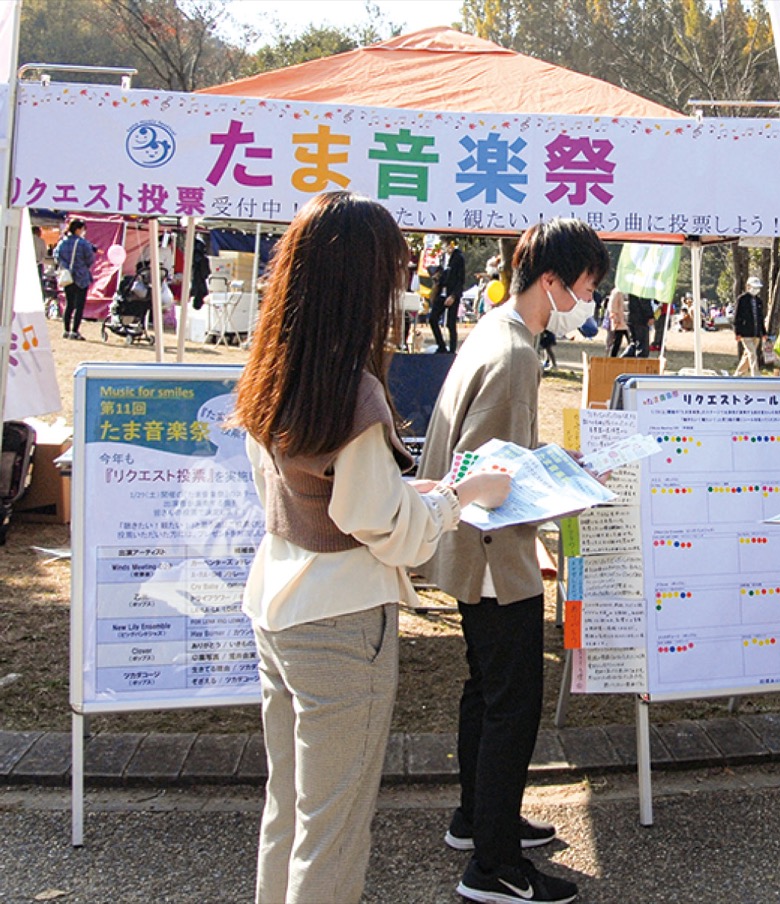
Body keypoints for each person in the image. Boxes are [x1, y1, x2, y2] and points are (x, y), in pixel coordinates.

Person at [232, 192, 510, 904]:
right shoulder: (352, 391)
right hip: (341, 619)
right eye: (393, 271)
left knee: (288, 808)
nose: (400, 287)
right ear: (362, 282)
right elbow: (385, 528)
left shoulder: (274, 367)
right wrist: (461, 496)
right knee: (332, 828)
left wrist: (412, 493)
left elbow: (319, 492)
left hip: (276, 598)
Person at [417, 217, 608, 904]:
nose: (589, 299)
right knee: (513, 705)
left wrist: (554, 464)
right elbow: (488, 477)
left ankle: (478, 820)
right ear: (551, 280)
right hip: (495, 557)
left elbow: (491, 456)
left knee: (486, 692)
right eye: (586, 285)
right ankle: (493, 865)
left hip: (473, 551)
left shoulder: (497, 331)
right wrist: (566, 486)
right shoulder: (517, 354)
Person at [54, 218, 96, 340]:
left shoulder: (62, 242)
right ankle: (75, 331)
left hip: (68, 276)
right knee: (79, 306)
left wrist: (65, 266)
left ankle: (66, 330)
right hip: (81, 276)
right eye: (82, 229)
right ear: (78, 229)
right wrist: (82, 266)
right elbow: (90, 259)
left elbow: (56, 256)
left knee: (69, 304)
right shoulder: (83, 243)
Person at [430, 235, 466, 353]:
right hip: (442, 292)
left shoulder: (458, 258)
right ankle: (441, 346)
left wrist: (454, 295)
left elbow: (461, 279)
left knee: (451, 324)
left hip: (452, 294)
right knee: (433, 319)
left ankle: (452, 350)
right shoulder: (442, 257)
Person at [734, 276, 766, 376]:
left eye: (758, 288)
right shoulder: (742, 299)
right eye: (754, 287)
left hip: (756, 333)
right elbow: (737, 317)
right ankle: (755, 374)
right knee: (752, 354)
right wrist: (737, 332)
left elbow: (760, 318)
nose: (756, 290)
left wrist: (763, 332)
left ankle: (737, 375)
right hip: (745, 333)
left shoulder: (759, 301)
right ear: (748, 286)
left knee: (747, 355)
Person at [621, 292, 654, 358]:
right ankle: (640, 362)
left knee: (633, 343)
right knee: (642, 346)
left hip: (629, 316)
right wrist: (650, 315)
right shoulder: (641, 287)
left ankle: (623, 360)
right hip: (640, 317)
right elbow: (644, 300)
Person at [605, 287, 629, 356]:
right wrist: (614, 316)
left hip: (628, 322)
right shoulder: (616, 291)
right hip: (619, 322)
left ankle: (629, 357)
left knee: (632, 342)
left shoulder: (629, 290)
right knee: (616, 342)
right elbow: (611, 306)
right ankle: (612, 358)